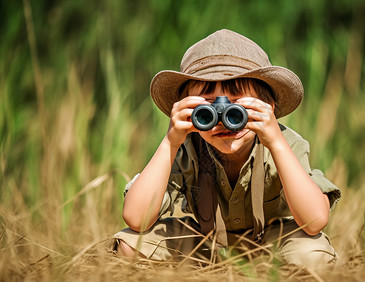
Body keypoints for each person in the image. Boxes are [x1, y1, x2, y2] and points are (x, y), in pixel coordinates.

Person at [113, 29, 341, 269]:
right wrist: (171, 141)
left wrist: (275, 142)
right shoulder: (184, 147)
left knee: (312, 255)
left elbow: (315, 221)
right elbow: (136, 220)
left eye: (236, 106)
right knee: (130, 245)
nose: (223, 118)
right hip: (205, 246)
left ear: (269, 107)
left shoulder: (285, 143)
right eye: (207, 108)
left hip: (273, 245)